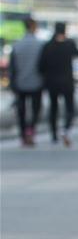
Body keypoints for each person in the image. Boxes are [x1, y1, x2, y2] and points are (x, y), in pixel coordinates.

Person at [39, 22, 78, 147]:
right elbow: (77, 54)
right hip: (67, 82)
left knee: (53, 108)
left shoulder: (48, 46)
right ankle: (65, 129)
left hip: (52, 82)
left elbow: (41, 66)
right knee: (70, 108)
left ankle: (54, 134)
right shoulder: (69, 44)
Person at [9, 18, 44, 147]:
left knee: (21, 111)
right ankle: (31, 131)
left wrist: (12, 84)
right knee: (36, 109)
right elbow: (44, 66)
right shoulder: (40, 45)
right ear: (33, 27)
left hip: (20, 83)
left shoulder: (17, 45)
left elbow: (12, 68)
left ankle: (23, 135)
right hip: (36, 83)